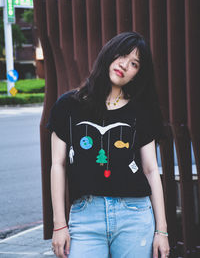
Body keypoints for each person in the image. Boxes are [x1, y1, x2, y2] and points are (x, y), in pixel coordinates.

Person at [46, 31, 170, 258]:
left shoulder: (141, 111)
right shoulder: (68, 106)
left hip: (134, 215)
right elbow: (58, 165)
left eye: (134, 63)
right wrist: (59, 224)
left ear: (137, 74)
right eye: (122, 55)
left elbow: (151, 170)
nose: (124, 64)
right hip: (86, 215)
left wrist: (162, 230)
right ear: (108, 54)